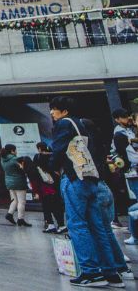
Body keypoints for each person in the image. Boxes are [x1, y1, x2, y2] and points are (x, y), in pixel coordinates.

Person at [48, 95, 124, 286]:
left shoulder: (63, 124)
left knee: (77, 224)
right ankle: (111, 272)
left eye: (55, 108)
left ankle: (91, 272)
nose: (51, 112)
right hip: (91, 178)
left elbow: (58, 151)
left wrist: (52, 166)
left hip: (75, 177)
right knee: (97, 225)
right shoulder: (80, 124)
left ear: (64, 111)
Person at [80, 117, 131, 281]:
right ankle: (119, 266)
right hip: (103, 187)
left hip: (94, 188)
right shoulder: (99, 147)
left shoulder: (85, 148)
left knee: (98, 231)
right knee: (105, 230)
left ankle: (110, 269)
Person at [112, 108, 138, 243]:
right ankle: (134, 234)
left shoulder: (129, 130)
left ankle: (134, 234)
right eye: (124, 117)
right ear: (117, 119)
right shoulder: (119, 133)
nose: (127, 118)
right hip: (133, 171)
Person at [31, 141, 66, 234]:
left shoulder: (37, 157)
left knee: (46, 205)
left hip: (45, 186)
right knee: (57, 205)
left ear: (39, 148)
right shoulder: (54, 156)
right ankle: (62, 224)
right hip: (56, 184)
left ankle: (50, 224)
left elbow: (35, 171)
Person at [0, 144, 32, 227]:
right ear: (12, 151)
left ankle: (9, 214)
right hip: (19, 182)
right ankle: (20, 219)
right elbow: (22, 169)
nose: (16, 151)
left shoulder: (3, 159)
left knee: (15, 200)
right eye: (15, 150)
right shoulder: (15, 159)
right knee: (22, 201)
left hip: (9, 182)